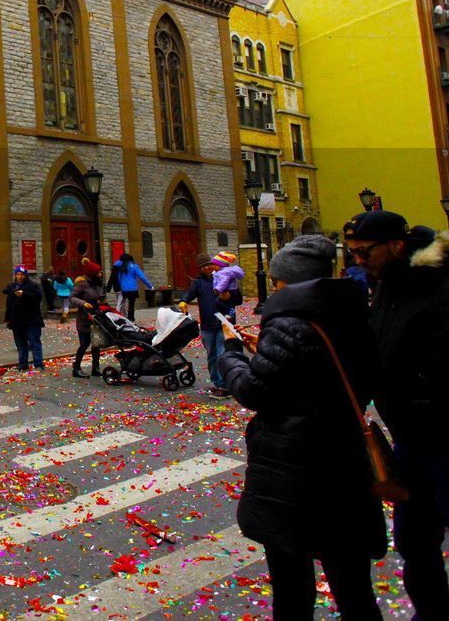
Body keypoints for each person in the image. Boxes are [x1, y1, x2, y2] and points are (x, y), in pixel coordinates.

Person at [218, 235, 385, 618]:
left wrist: (230, 355)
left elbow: (253, 391)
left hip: (293, 471)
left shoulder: (289, 325)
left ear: (290, 282)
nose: (273, 287)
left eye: (276, 281)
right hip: (345, 464)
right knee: (354, 589)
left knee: (292, 590)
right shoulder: (357, 316)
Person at [345, 210, 449, 617]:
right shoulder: (388, 287)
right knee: (416, 546)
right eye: (352, 253)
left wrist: (422, 385)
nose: (358, 260)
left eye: (364, 252)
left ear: (397, 245)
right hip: (412, 447)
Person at [180, 254, 235, 398]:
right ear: (200, 269)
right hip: (207, 323)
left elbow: (236, 298)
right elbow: (189, 293)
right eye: (204, 266)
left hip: (223, 321)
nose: (207, 267)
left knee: (222, 354)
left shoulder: (224, 278)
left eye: (209, 264)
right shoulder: (198, 283)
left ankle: (225, 385)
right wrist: (184, 301)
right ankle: (217, 383)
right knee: (211, 355)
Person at [3, 265, 45, 371]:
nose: (19, 277)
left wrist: (24, 294)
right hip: (17, 321)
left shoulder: (32, 286)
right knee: (21, 344)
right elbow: (9, 304)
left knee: (34, 342)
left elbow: (38, 297)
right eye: (18, 275)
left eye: (21, 275)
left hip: (31, 319)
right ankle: (23, 364)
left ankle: (38, 364)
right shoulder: (13, 287)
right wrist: (7, 318)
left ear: (25, 275)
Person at [69, 275, 102, 378]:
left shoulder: (96, 285)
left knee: (96, 344)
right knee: (84, 344)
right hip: (84, 319)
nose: (100, 274)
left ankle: (96, 368)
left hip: (95, 319)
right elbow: (72, 298)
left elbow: (96, 298)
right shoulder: (82, 285)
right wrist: (83, 303)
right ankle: (76, 368)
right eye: (98, 272)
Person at [113, 253, 153, 321]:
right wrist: (150, 286)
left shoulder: (121, 268)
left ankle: (120, 318)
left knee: (122, 304)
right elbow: (142, 277)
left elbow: (119, 278)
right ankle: (131, 318)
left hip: (124, 289)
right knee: (131, 305)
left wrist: (121, 286)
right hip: (132, 289)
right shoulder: (134, 266)